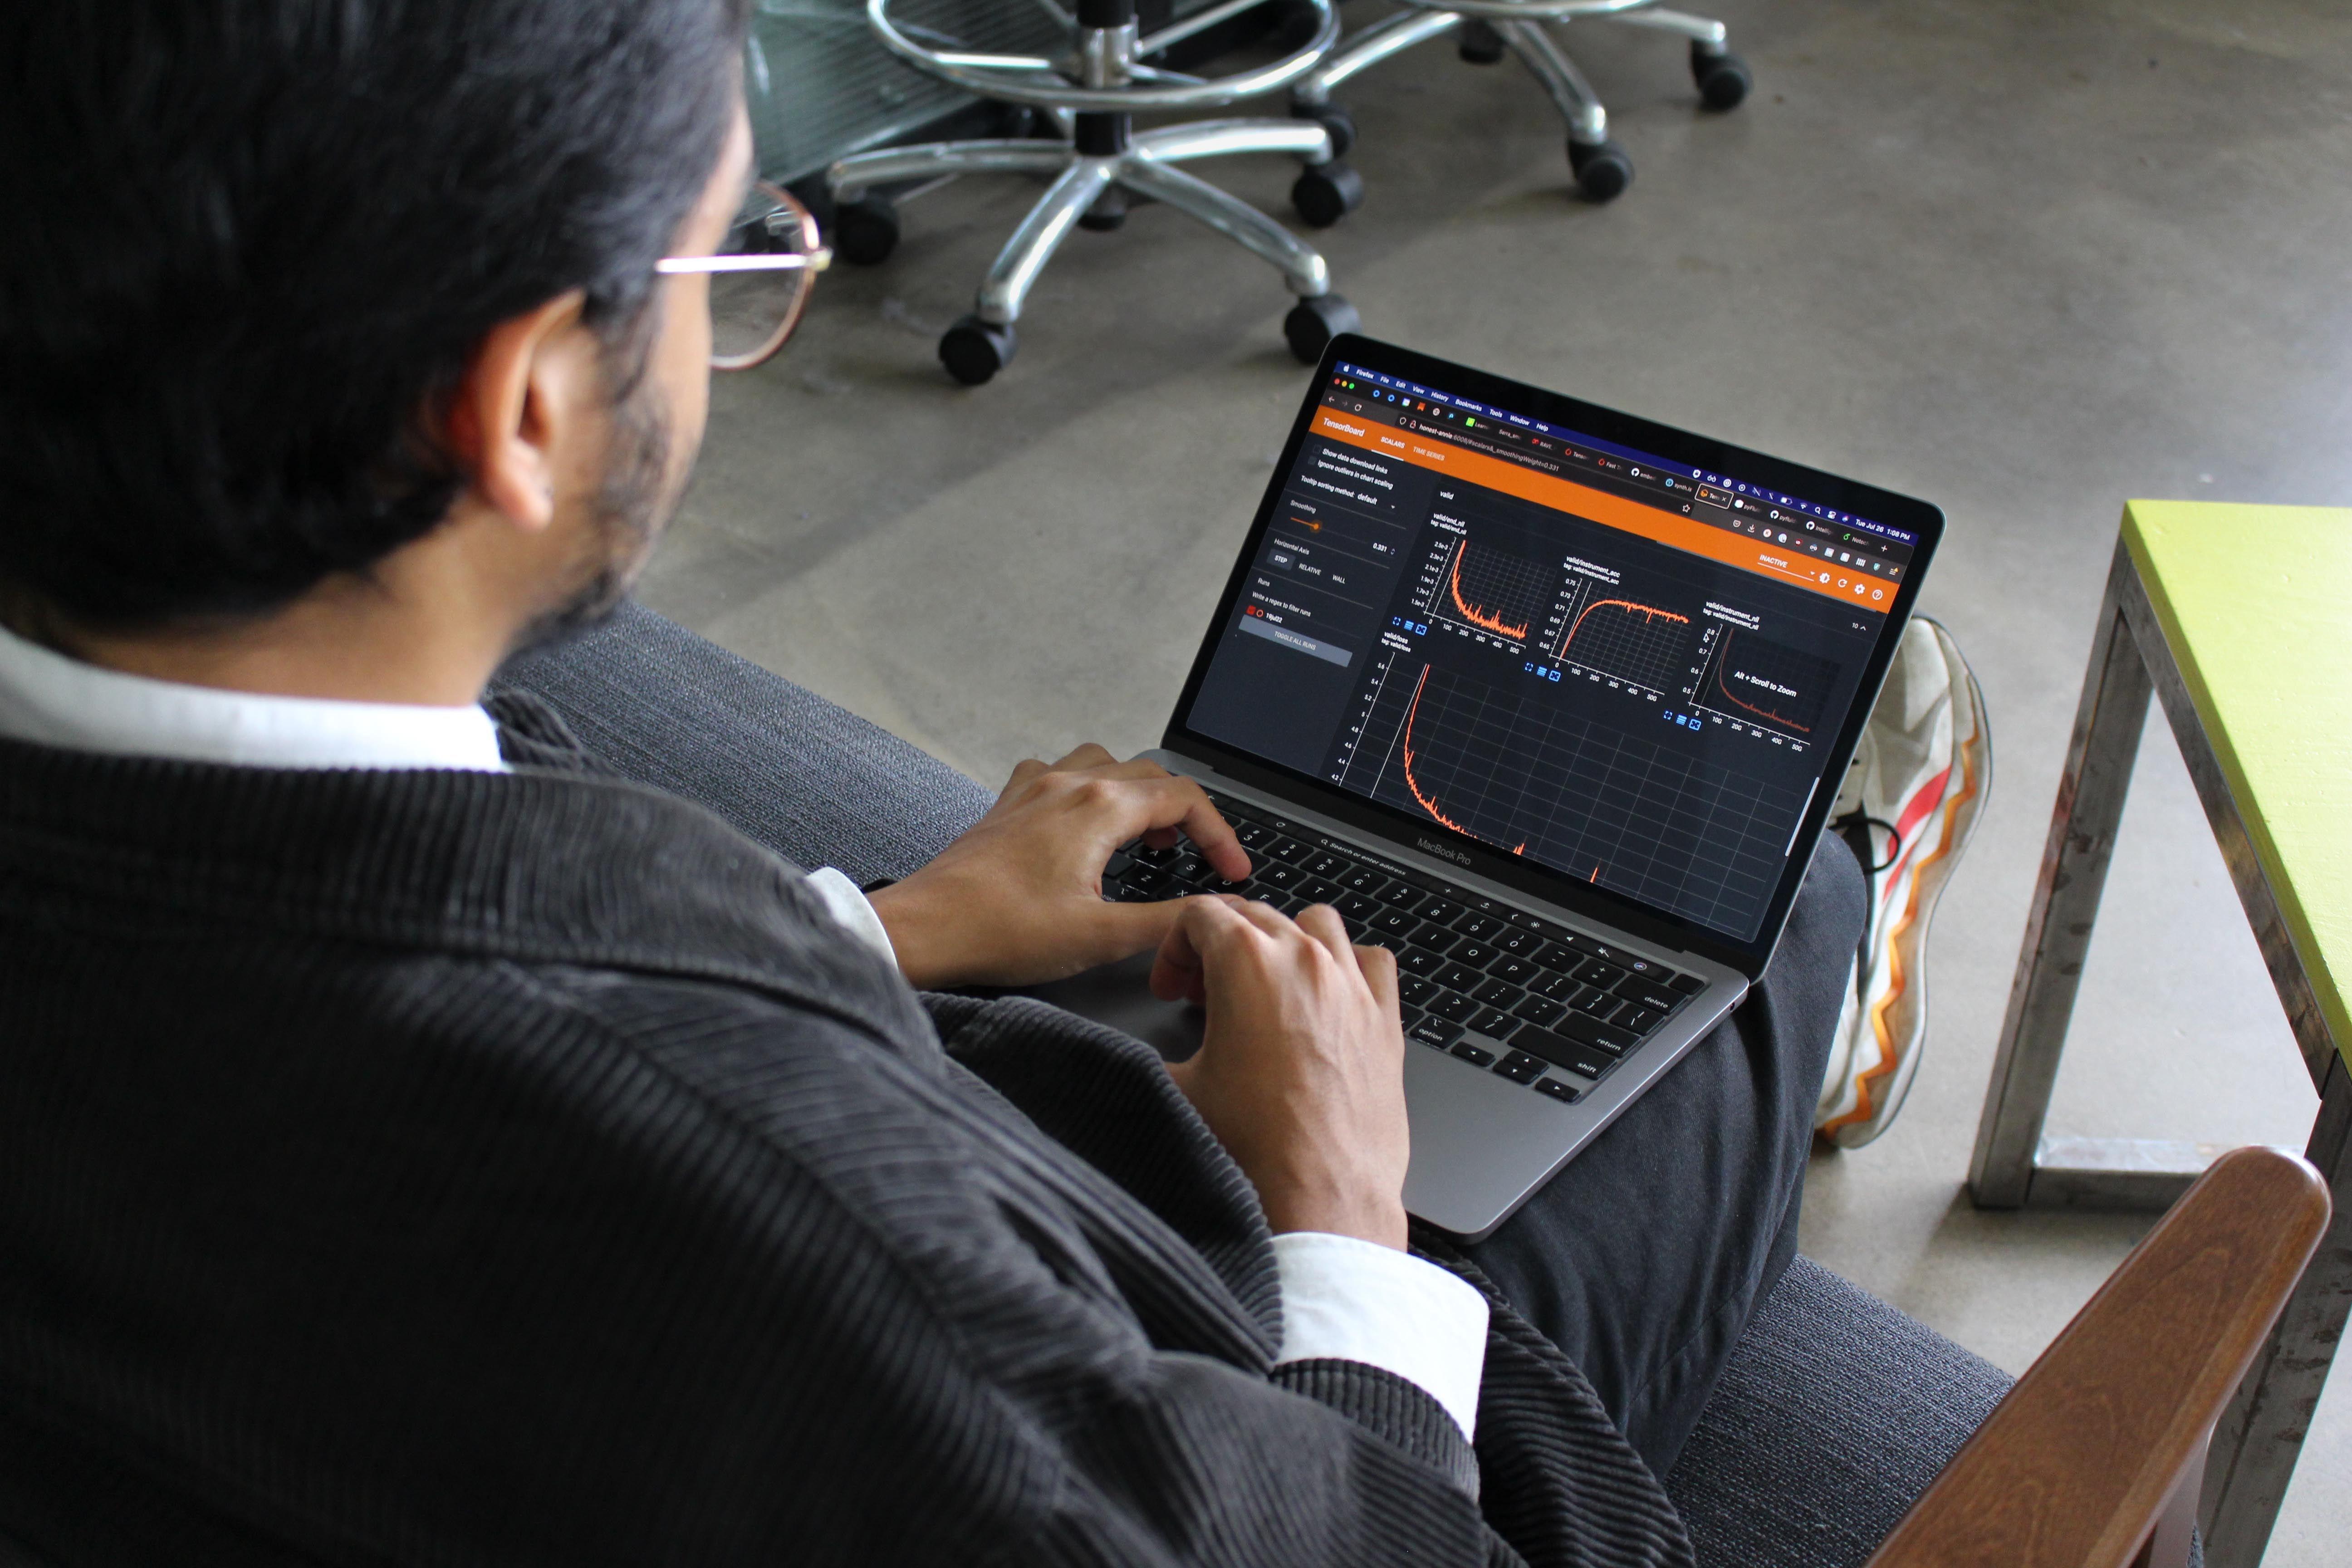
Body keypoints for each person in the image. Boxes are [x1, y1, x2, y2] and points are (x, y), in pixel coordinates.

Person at [0, 2, 1885, 1562]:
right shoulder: (801, 1247)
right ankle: (1866, 906)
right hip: (1295, 1416)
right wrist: (1334, 1208)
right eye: (730, 259)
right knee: (1781, 911)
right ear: (516, 411)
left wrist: (880, 929)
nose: (736, 326)